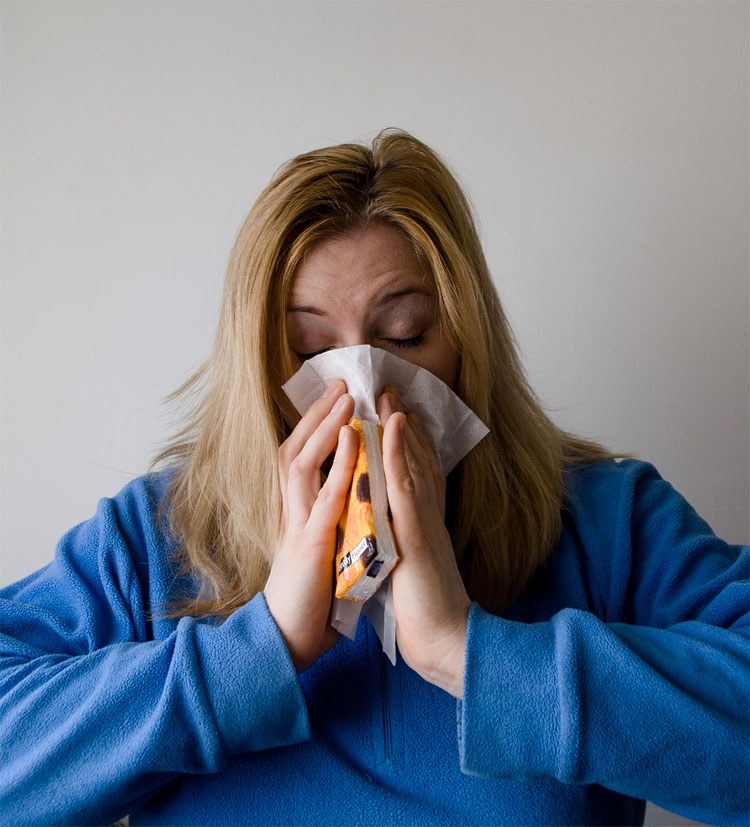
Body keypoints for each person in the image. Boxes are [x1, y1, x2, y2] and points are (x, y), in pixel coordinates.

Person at [1, 129, 747, 826]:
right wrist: (261, 651)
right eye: (308, 348)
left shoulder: (604, 519)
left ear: (466, 340)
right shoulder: (157, 538)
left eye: (403, 336)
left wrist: (468, 652)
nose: (359, 388)